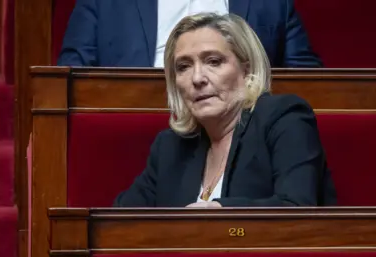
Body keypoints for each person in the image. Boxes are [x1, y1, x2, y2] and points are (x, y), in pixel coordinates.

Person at [113, 13, 336, 208]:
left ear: (246, 69)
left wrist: (221, 214)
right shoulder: (170, 146)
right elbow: (121, 221)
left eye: (214, 61)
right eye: (183, 67)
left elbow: (297, 208)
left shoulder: (284, 118)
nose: (197, 78)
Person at [58, 0, 322, 68]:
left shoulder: (272, 3)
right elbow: (70, 74)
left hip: (244, 137)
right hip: (137, 129)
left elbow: (309, 83)